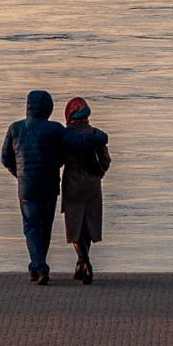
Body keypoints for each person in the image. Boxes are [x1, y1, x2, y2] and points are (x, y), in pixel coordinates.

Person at [0, 90, 66, 284]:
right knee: (45, 227)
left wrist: (19, 174)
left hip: (26, 187)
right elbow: (65, 153)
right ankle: (39, 266)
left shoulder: (15, 128)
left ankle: (37, 266)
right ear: (48, 107)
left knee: (31, 227)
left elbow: (5, 158)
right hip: (49, 186)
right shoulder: (55, 129)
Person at [60, 97, 110, 284]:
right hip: (92, 183)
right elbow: (106, 160)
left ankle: (84, 261)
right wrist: (99, 174)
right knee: (88, 223)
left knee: (74, 225)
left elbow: (58, 159)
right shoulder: (96, 134)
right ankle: (81, 264)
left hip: (72, 182)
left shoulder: (65, 136)